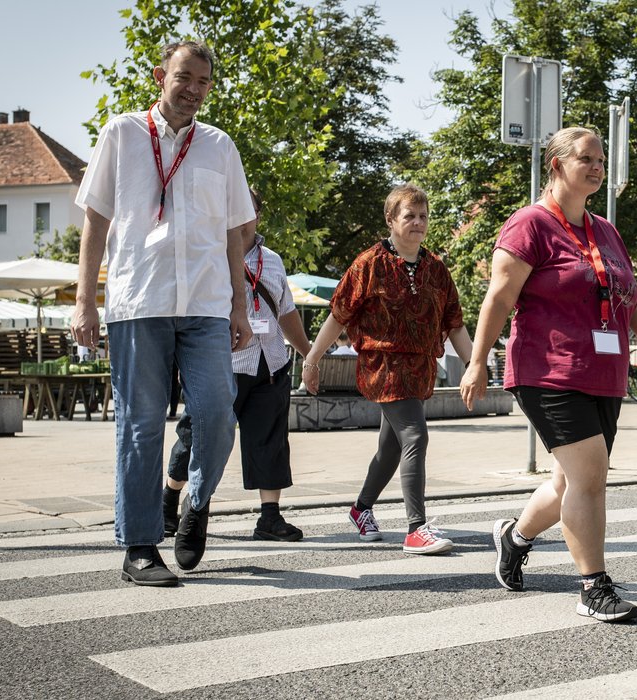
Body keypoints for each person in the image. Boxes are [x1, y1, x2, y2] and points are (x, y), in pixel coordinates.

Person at [459, 126, 637, 623]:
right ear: (556, 165)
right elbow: (498, 297)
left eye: (601, 159)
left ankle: (514, 538)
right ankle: (593, 587)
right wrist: (477, 361)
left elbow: (630, 296)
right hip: (548, 369)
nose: (598, 166)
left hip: (603, 371)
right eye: (587, 158)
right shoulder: (529, 225)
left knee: (568, 482)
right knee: (591, 477)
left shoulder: (605, 229)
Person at [71, 40, 255, 587]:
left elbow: (234, 235)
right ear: (161, 76)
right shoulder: (121, 134)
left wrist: (239, 307)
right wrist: (85, 300)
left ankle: (195, 502)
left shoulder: (220, 147)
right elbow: (95, 223)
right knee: (140, 426)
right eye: (184, 78)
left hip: (205, 305)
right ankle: (140, 545)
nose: (194, 90)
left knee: (218, 414)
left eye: (203, 82)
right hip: (138, 301)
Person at [303, 184, 472, 555]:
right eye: (409, 215)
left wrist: (474, 366)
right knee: (415, 435)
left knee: (391, 448)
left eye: (423, 216)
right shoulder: (369, 264)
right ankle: (416, 528)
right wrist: (312, 360)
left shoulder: (436, 269)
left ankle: (361, 509)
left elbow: (455, 323)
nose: (418, 223)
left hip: (420, 369)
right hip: (384, 365)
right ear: (391, 219)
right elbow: (338, 315)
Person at [164, 189, 313, 543]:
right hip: (221, 365)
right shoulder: (209, 257)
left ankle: (270, 518)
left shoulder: (272, 260)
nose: (244, 218)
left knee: (271, 439)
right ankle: (169, 502)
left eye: (251, 211)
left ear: (258, 215)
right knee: (197, 437)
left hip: (270, 363)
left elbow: (287, 312)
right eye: (237, 210)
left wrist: (309, 353)